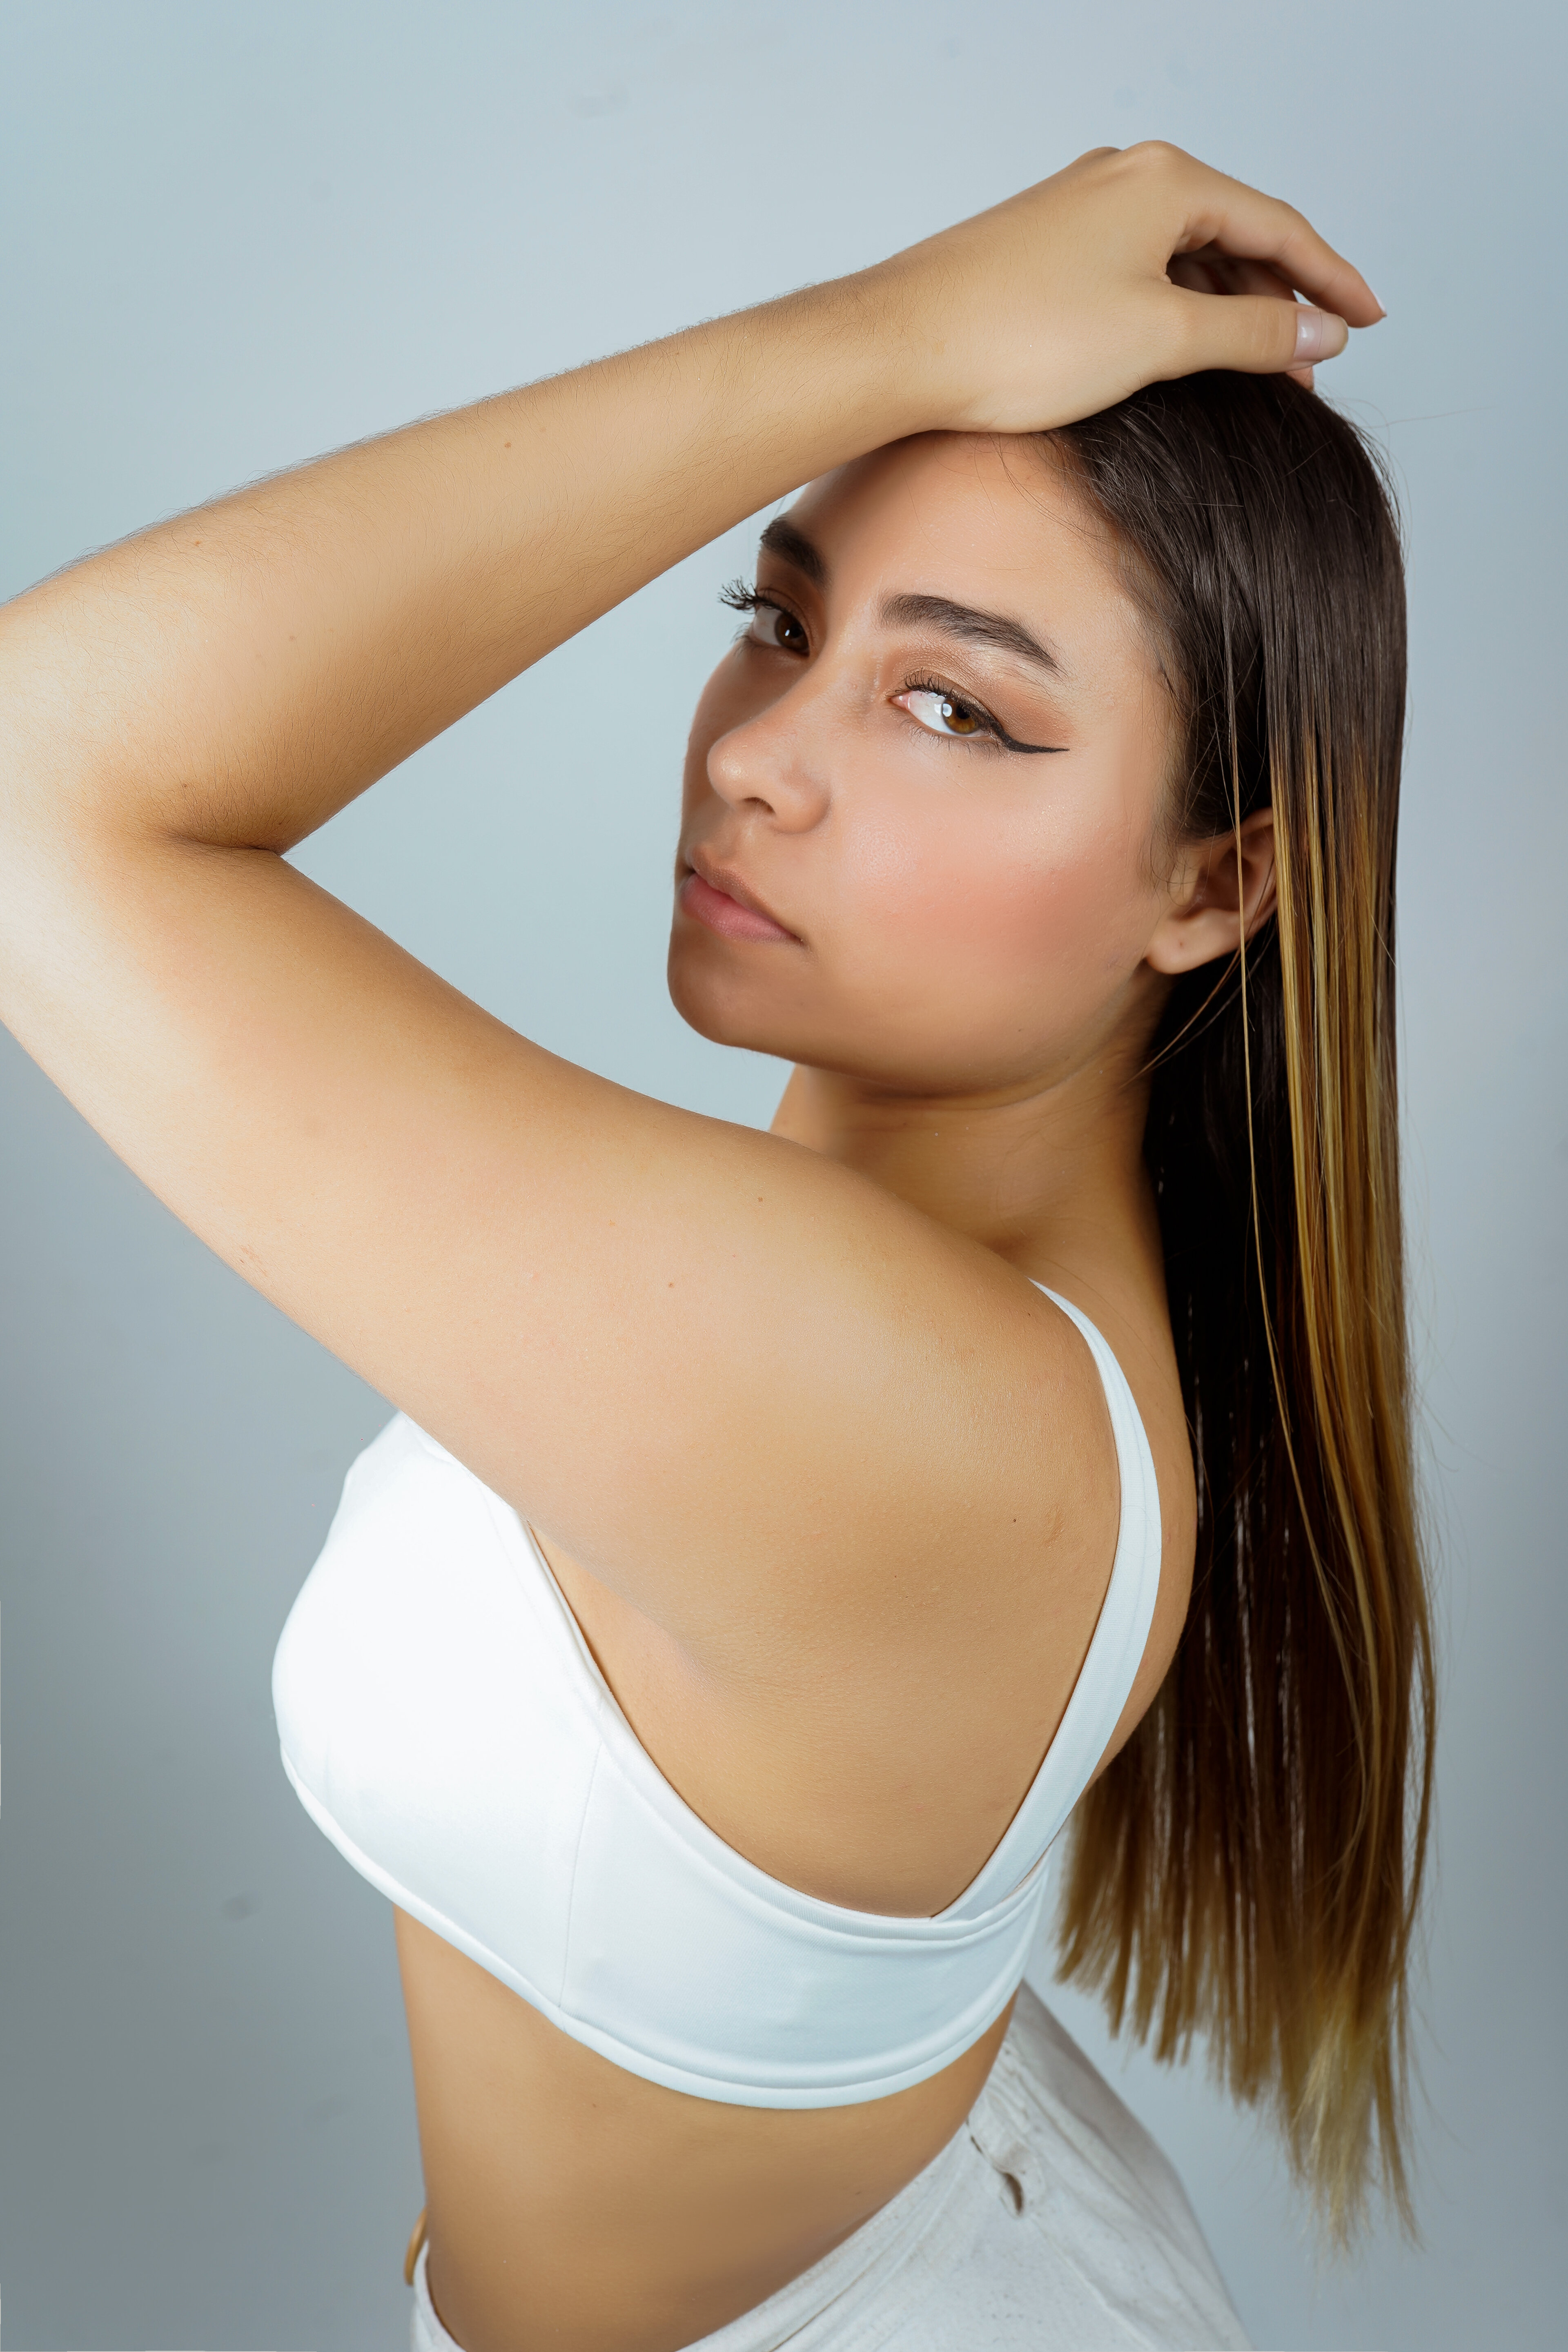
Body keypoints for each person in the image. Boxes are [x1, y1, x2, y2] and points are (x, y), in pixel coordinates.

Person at [0, 143, 1433, 2352]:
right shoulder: (889, 1292)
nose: (761, 755)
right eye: (778, 620)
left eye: (953, 706)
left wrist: (888, 328)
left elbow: (34, 779)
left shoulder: (911, 1400)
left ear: (1215, 885)